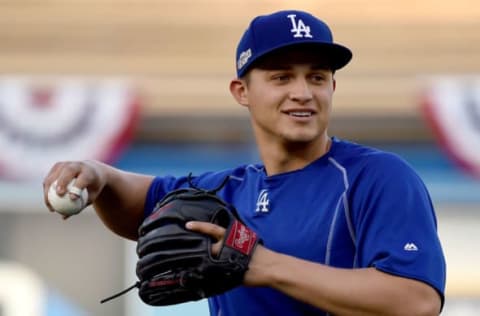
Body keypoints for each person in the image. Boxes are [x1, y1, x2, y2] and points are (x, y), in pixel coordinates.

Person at [43, 10, 446, 316]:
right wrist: (99, 176)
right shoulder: (227, 189)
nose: (303, 92)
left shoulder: (376, 178)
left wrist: (262, 264)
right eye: (282, 77)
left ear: (333, 87)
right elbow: (140, 206)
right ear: (242, 91)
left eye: (318, 77)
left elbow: (416, 300)